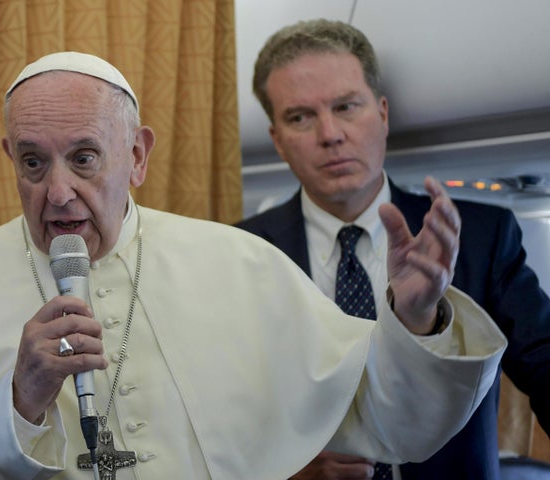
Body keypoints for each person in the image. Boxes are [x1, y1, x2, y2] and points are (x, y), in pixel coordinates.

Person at [0, 51, 506, 480]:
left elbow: (383, 419)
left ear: (136, 155)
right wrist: (14, 406)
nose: (58, 192)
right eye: (32, 162)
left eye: (83, 157)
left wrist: (416, 322)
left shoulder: (240, 264)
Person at [235, 18, 550, 480]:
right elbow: (217, 417)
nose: (330, 134)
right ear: (278, 141)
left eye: (346, 106)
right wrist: (283, 470)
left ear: (382, 113)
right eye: (300, 117)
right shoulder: (242, 253)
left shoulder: (480, 235)